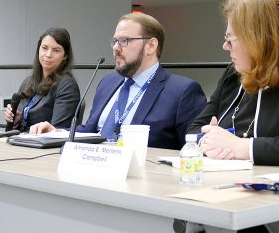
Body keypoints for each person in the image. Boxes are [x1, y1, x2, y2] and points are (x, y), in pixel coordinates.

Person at [30, 13, 207, 150]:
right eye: (115, 41)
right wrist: (58, 133)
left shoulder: (181, 91)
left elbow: (192, 150)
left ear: (151, 46)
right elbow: (90, 131)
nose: (115, 48)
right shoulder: (108, 83)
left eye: (124, 41)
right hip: (93, 168)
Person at [187, 0, 279, 166]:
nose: (225, 46)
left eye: (231, 38)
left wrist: (243, 148)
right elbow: (195, 128)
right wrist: (209, 143)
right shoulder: (232, 74)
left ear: (258, 39)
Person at [5, 27, 80, 131]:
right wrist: (16, 121)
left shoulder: (67, 85)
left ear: (65, 56)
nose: (48, 54)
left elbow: (57, 131)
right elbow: (16, 127)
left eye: (56, 50)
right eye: (44, 48)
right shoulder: (28, 82)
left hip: (43, 145)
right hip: (21, 141)